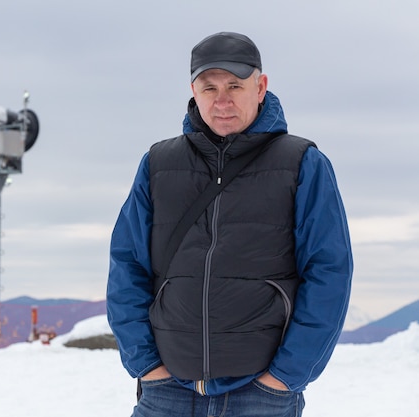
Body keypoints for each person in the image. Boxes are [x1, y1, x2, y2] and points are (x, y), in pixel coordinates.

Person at [106, 32, 353, 417]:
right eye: (210, 88)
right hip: (167, 393)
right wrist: (147, 367)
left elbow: (329, 273)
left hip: (261, 395)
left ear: (261, 86)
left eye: (235, 85)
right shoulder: (158, 164)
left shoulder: (302, 163)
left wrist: (287, 377)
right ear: (193, 91)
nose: (222, 101)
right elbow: (127, 266)